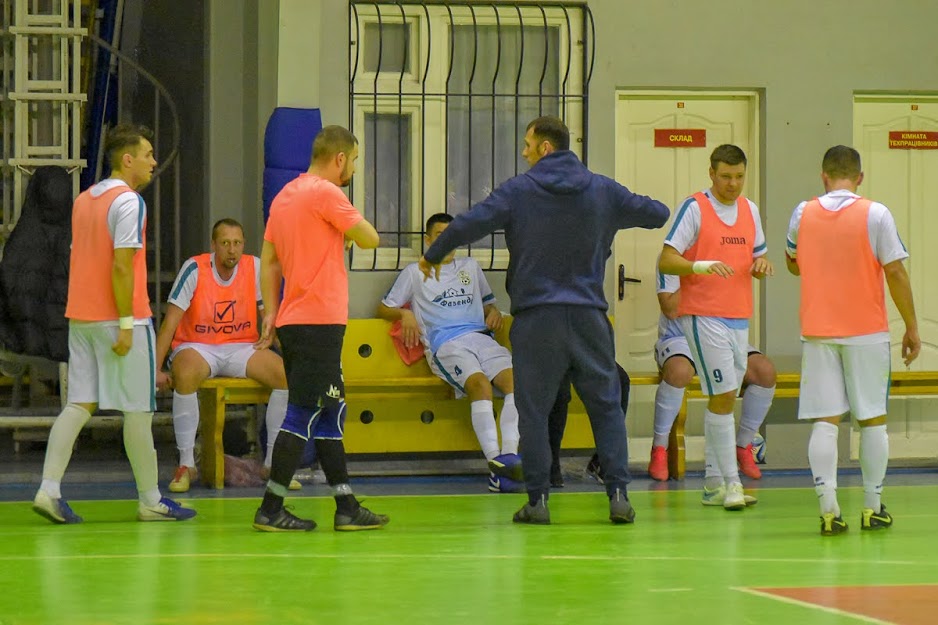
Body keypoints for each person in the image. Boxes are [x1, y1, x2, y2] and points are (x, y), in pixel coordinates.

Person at [420, 116, 670, 525]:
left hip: (537, 320)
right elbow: (657, 213)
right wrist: (608, 222)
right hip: (590, 317)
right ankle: (619, 495)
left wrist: (433, 254)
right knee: (605, 408)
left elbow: (470, 223)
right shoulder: (602, 190)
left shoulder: (519, 192)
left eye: (527, 144)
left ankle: (537, 501)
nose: (523, 152)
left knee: (532, 410)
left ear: (545, 149)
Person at [31, 124, 196, 524]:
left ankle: (48, 490)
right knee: (138, 411)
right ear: (128, 159)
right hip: (120, 320)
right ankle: (151, 499)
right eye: (148, 154)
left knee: (78, 404)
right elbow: (122, 266)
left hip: (81, 319)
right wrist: (126, 323)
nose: (154, 161)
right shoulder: (129, 203)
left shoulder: (85, 199)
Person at [253, 125, 388, 532]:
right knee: (304, 411)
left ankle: (346, 506)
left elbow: (269, 261)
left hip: (296, 319)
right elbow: (371, 239)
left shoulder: (285, 196)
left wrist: (270, 312)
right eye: (355, 161)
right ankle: (271, 507)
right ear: (340, 158)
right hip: (319, 321)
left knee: (331, 410)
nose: (353, 170)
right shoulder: (328, 194)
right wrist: (343, 231)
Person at [786, 145, 919, 535]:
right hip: (866, 331)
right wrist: (911, 326)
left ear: (823, 175)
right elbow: (895, 272)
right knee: (872, 419)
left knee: (825, 421)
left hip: (818, 330)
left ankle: (828, 510)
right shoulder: (876, 214)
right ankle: (872, 507)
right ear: (859, 177)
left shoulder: (802, 212)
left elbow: (793, 261)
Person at [575, 260, 776, 496]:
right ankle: (660, 448)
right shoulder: (672, 256)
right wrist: (701, 276)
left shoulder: (729, 247)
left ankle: (743, 445)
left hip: (722, 334)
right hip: (680, 339)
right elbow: (670, 307)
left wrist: (758, 267)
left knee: (765, 371)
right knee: (679, 371)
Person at [658, 144, 771, 511]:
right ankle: (732, 484)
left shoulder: (750, 210)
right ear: (711, 173)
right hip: (703, 315)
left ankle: (710, 484)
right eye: (725, 176)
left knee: (726, 396)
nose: (732, 184)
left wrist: (762, 265)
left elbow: (758, 254)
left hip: (739, 316)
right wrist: (698, 266)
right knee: (722, 393)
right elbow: (667, 259)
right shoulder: (694, 208)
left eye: (739, 177)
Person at [378, 213, 523, 493]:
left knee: (516, 384)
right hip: (447, 344)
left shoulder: (470, 266)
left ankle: (510, 460)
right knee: (479, 385)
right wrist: (403, 315)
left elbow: (488, 304)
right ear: (429, 240)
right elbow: (383, 308)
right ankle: (495, 466)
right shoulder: (414, 272)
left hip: (481, 338)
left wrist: (492, 312)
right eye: (441, 234)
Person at [153, 218, 299, 492]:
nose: (232, 250)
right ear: (213, 246)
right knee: (184, 374)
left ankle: (273, 463)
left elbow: (268, 316)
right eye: (225, 243)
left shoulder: (254, 267)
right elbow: (169, 323)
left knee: (284, 375)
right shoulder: (194, 269)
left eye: (237, 243)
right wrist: (156, 369)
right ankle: (187, 464)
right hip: (198, 346)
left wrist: (281, 345)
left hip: (240, 346)